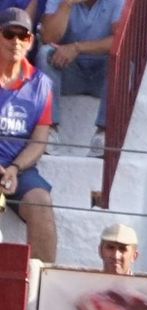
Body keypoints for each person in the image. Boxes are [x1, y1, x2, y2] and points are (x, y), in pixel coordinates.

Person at [0, 9, 56, 262]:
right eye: (8, 34)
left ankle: (42, 291)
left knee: (41, 204)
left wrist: (13, 168)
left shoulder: (42, 84)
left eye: (22, 36)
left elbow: (40, 140)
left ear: (31, 41)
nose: (16, 42)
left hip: (18, 169)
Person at [37, 0, 121, 156]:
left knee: (121, 57)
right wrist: (67, 4)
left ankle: (103, 133)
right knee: (45, 54)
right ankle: (49, 130)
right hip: (70, 71)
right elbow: (48, 37)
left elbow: (120, 39)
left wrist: (77, 48)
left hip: (102, 75)